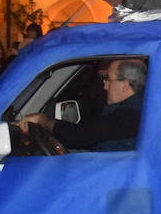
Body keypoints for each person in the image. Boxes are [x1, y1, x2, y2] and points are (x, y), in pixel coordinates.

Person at [17, 58, 146, 151]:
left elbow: (78, 136)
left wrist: (41, 119)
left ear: (124, 86)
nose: (105, 86)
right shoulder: (134, 109)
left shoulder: (130, 116)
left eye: (108, 80)